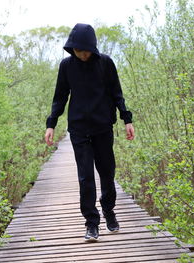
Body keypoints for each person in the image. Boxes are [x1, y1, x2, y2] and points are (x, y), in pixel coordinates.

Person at [44, 23, 135, 242]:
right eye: (77, 51)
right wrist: (51, 123)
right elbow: (60, 96)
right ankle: (91, 224)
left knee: (107, 173)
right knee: (85, 177)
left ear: (92, 48)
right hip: (78, 129)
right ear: (71, 48)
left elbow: (117, 93)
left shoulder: (105, 63)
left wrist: (126, 119)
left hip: (103, 127)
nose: (81, 55)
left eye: (85, 51)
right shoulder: (66, 66)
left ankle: (109, 211)